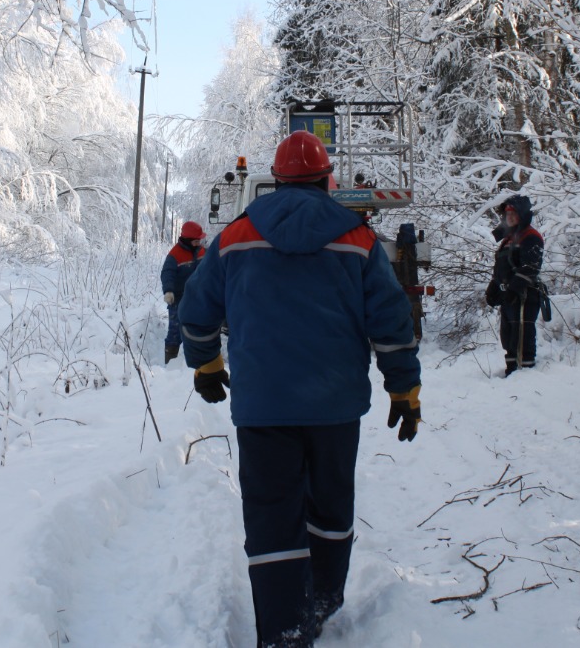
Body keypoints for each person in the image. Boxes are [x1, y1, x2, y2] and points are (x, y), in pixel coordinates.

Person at [179, 131, 422, 648]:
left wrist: (206, 364)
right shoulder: (358, 239)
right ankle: (322, 602)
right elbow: (391, 321)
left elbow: (195, 311)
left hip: (263, 408)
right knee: (330, 508)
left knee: (271, 516)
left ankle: (284, 630)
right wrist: (404, 389)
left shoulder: (235, 237)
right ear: (325, 178)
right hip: (334, 408)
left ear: (279, 177)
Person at [485, 194, 544, 377]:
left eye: (514, 214)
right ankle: (511, 372)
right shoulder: (508, 239)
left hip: (525, 296)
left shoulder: (531, 237)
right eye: (507, 214)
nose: (509, 217)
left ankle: (525, 374)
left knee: (522, 336)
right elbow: (501, 268)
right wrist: (494, 287)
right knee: (508, 337)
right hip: (508, 296)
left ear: (523, 215)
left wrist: (515, 288)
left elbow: (530, 267)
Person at [161, 221, 206, 362]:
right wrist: (168, 291)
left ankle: (193, 359)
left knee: (197, 328)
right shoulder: (174, 255)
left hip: (198, 298)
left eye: (200, 240)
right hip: (178, 299)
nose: (199, 243)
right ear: (187, 240)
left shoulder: (202, 251)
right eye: (196, 240)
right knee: (175, 331)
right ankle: (170, 359)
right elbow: (167, 273)